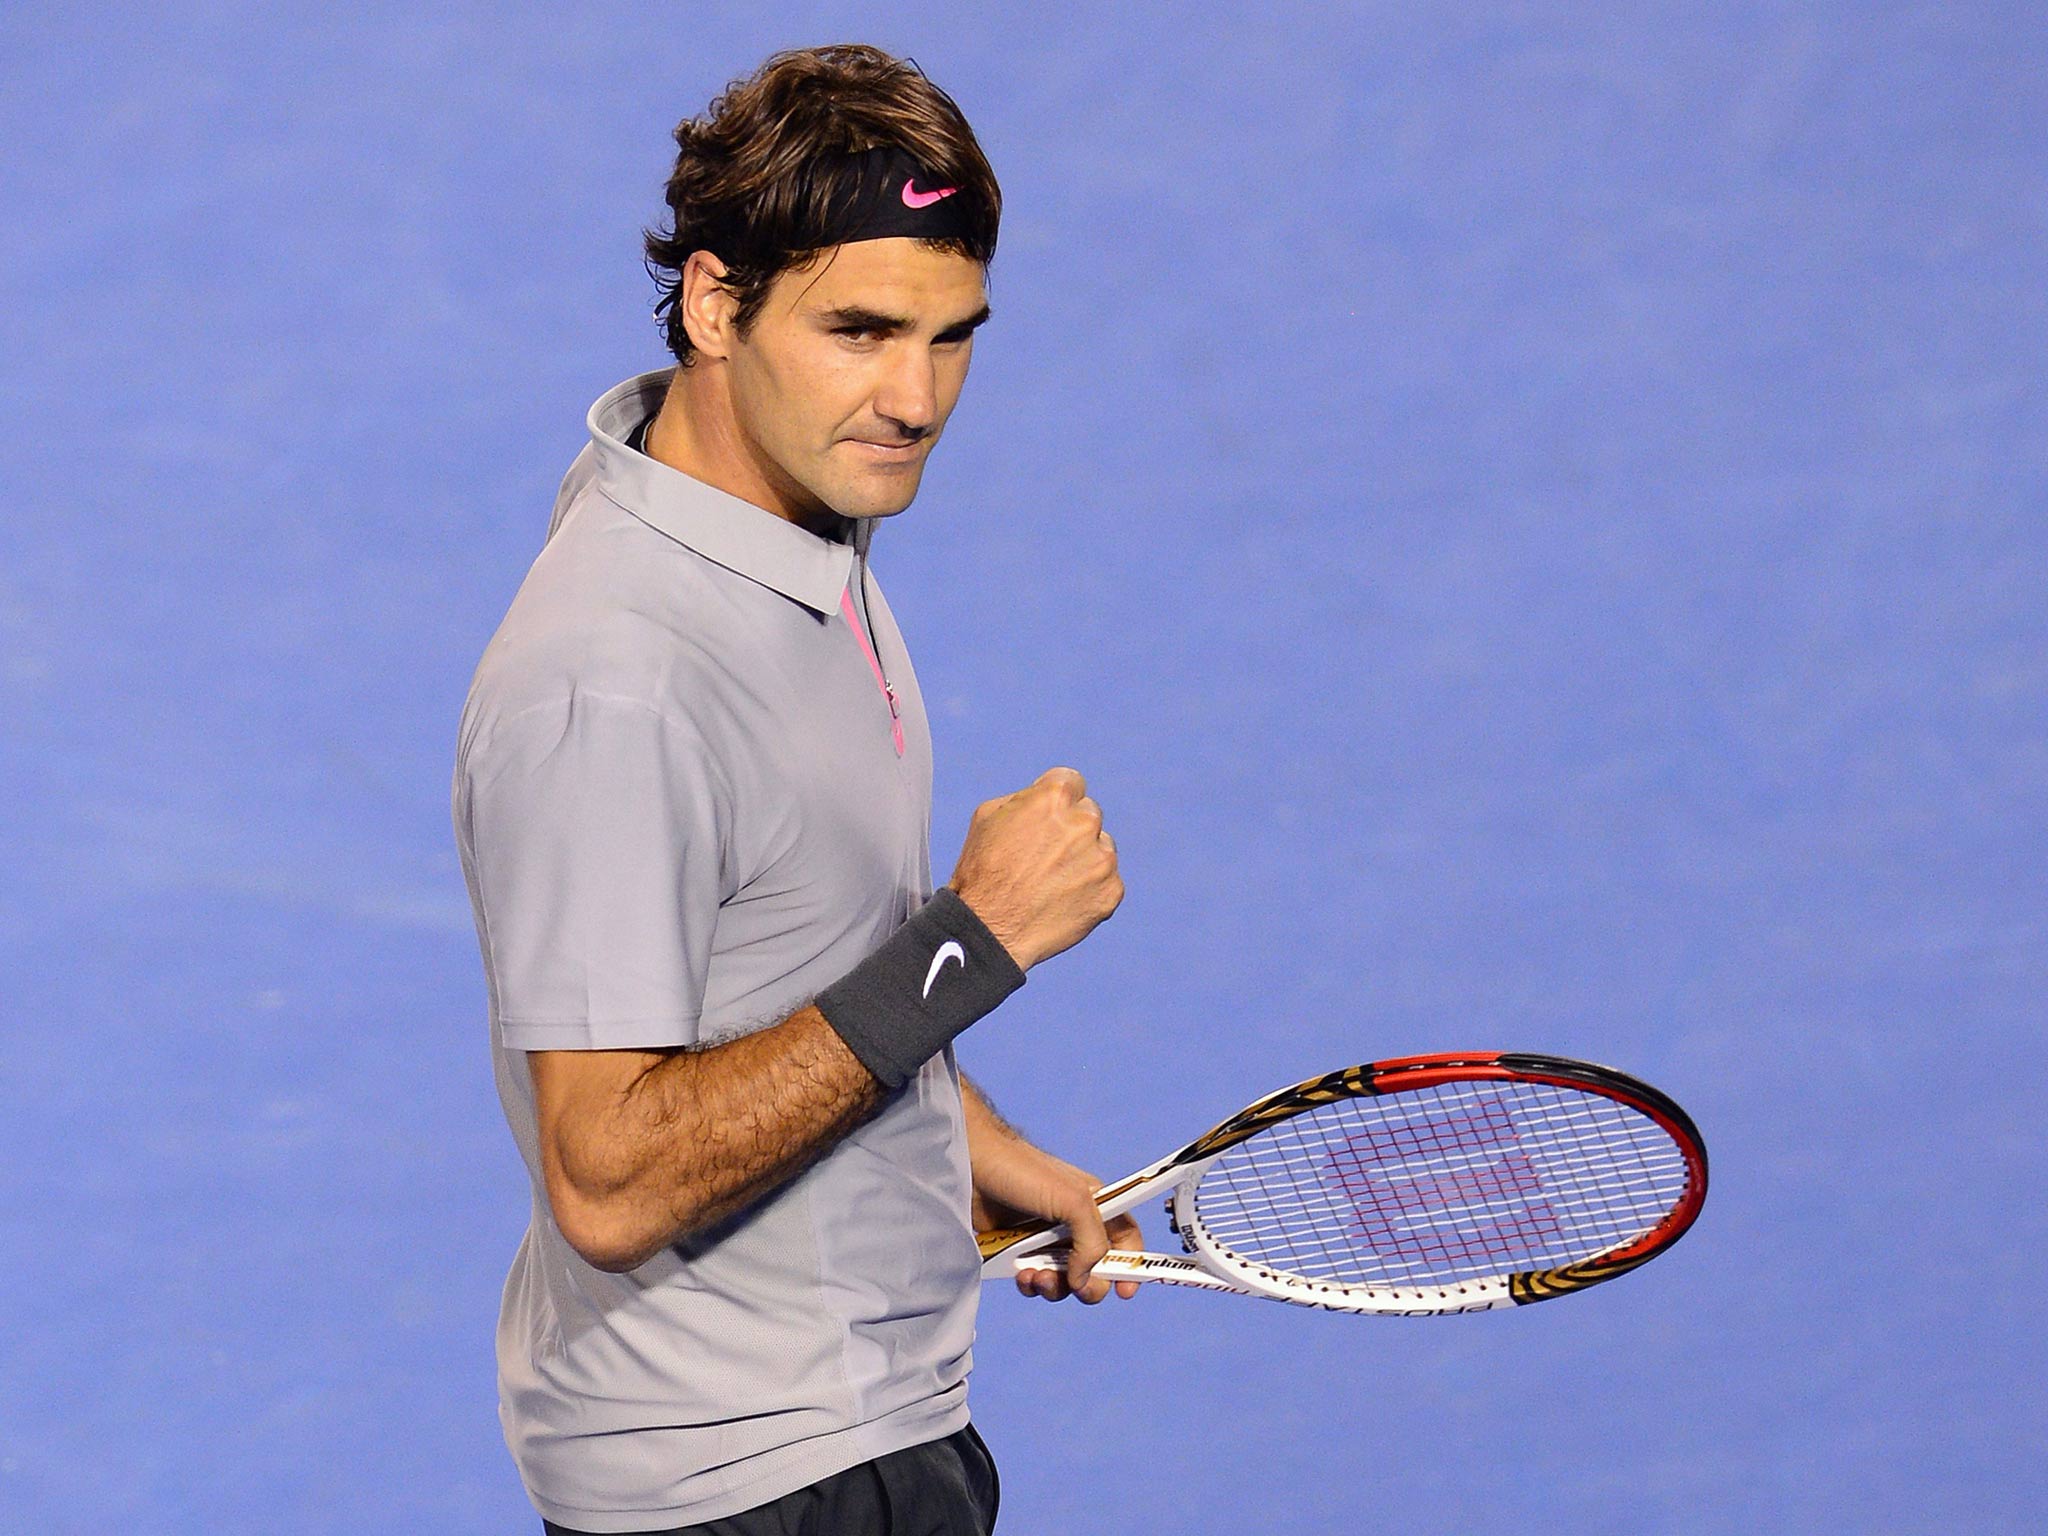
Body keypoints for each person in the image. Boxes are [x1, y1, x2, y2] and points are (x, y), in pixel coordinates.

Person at [453, 43, 1137, 1536]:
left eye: (954, 337)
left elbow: (786, 954)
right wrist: (976, 941)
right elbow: (610, 1180)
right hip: (748, 1482)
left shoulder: (791, 525)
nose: (916, 396)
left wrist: (961, 1143)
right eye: (862, 330)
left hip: (856, 1423)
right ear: (714, 304)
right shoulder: (615, 684)